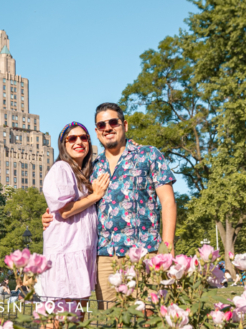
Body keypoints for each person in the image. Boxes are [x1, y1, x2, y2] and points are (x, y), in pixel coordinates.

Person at [42, 103, 177, 309]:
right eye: (101, 124)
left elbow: (167, 201)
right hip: (105, 258)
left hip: (146, 252)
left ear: (125, 125)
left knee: (150, 319)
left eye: (113, 122)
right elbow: (72, 203)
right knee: (115, 327)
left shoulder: (149, 155)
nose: (108, 127)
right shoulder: (92, 167)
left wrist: (167, 247)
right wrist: (48, 215)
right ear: (97, 132)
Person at [40, 121, 109, 305]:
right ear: (64, 144)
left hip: (81, 253)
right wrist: (96, 196)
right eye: (72, 138)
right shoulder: (62, 168)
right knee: (58, 323)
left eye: (83, 137)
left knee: (77, 320)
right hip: (66, 254)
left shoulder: (84, 173)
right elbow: (64, 211)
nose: (79, 142)